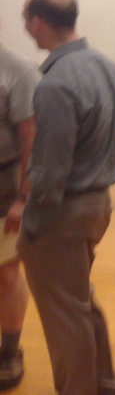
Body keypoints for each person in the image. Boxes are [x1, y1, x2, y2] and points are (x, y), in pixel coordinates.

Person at [19, 0, 115, 395]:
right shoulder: (108, 67)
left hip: (62, 213)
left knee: (64, 317)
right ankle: (105, 383)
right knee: (80, 302)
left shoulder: (55, 84)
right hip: (99, 205)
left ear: (37, 23)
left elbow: (49, 171)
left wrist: (32, 222)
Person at [0, 41, 39, 390]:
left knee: (6, 274)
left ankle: (9, 352)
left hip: (4, 190)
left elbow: (32, 138)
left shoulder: (16, 69)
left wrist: (22, 198)